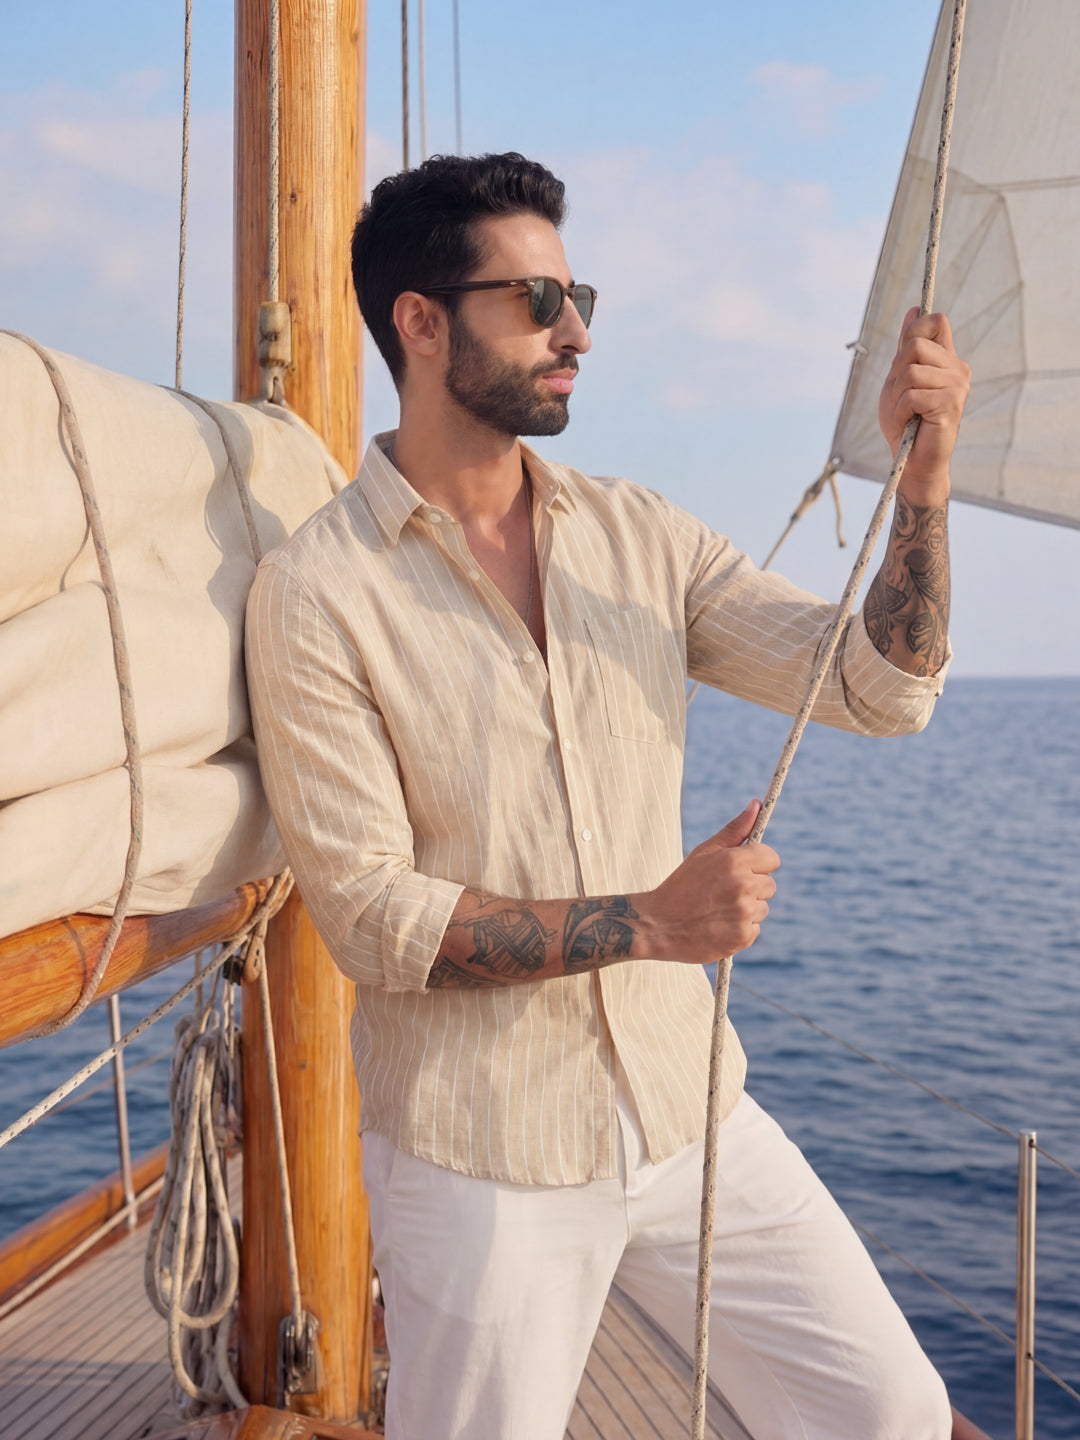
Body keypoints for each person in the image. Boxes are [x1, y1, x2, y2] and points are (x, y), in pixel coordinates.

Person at [246, 152, 972, 1440]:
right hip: (484, 1163)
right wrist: (653, 923)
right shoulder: (318, 593)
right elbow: (369, 919)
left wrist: (923, 483)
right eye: (534, 299)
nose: (575, 329)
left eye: (580, 295)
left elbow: (876, 688)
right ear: (421, 320)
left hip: (691, 1111)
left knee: (894, 1412)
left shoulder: (642, 538)